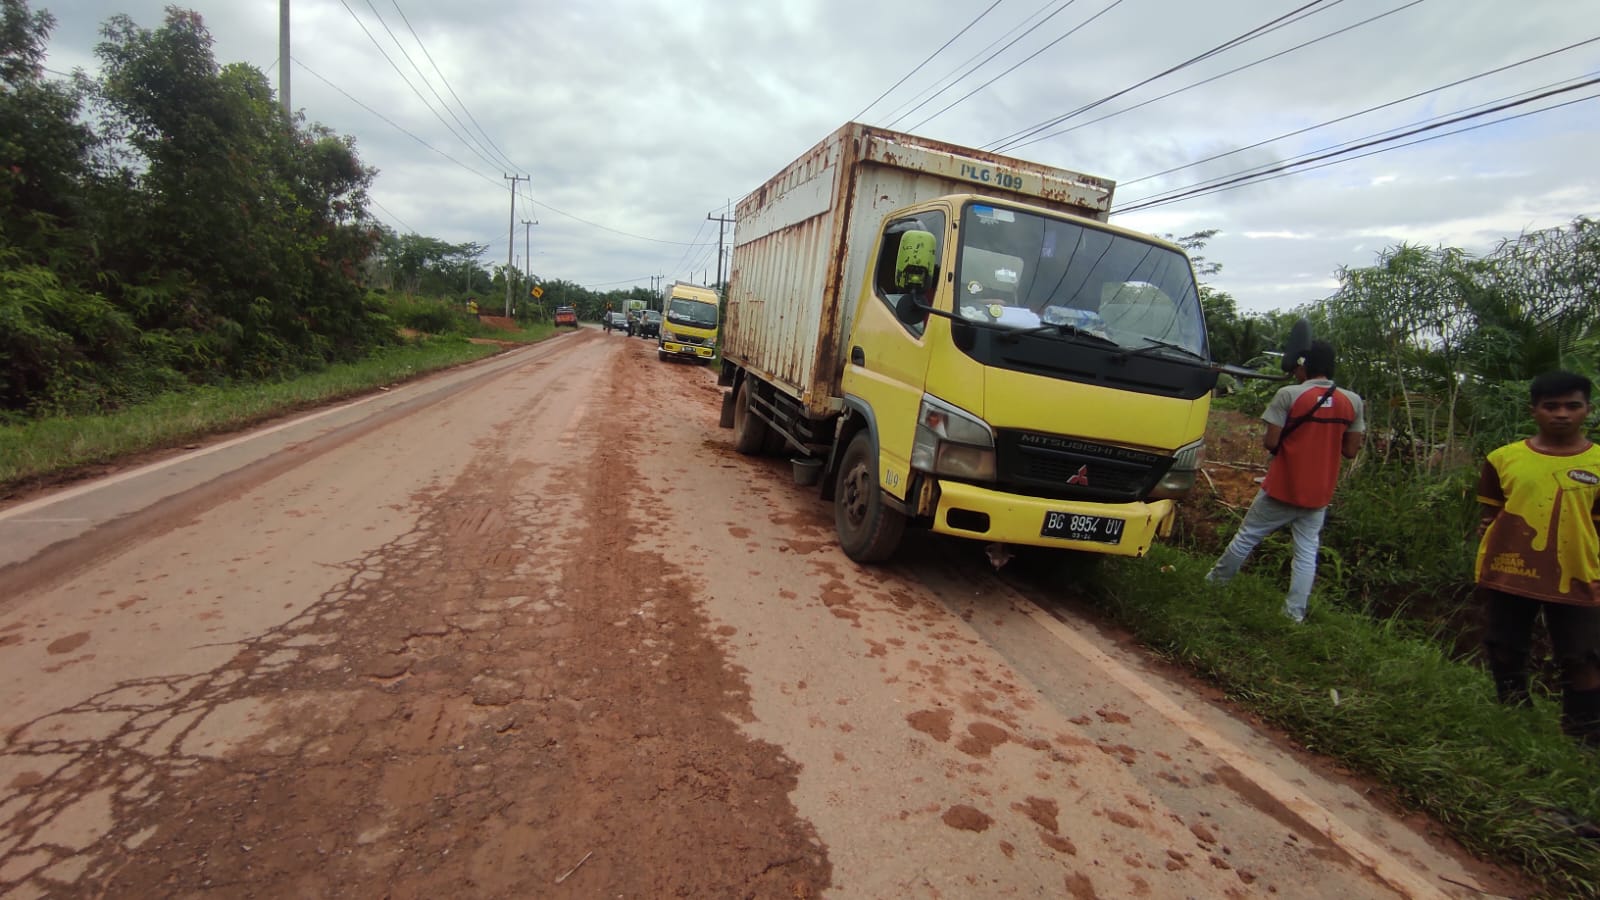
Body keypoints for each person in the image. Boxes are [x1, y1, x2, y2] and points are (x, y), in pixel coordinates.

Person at [1475, 370, 1600, 746]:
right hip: (1511, 572)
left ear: (1588, 410)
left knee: (1584, 656)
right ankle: (1514, 720)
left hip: (1579, 575)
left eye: (1572, 406)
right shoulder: (1502, 459)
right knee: (1504, 647)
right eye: (1551, 406)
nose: (1562, 414)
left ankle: (1583, 739)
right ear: (1534, 411)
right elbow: (1490, 515)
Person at [1206, 340, 1365, 622]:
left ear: (1304, 366)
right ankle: (1293, 615)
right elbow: (1351, 451)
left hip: (1283, 486)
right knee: (1306, 553)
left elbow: (1271, 442)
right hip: (1318, 493)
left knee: (1246, 537)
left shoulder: (1288, 395)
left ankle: (1214, 585)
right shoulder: (1352, 401)